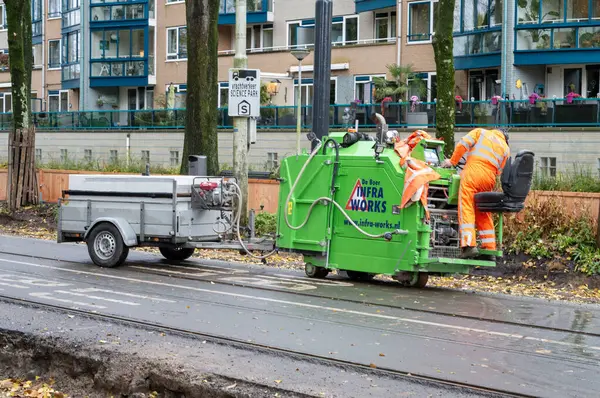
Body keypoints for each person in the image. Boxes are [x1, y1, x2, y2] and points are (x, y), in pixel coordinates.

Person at [441, 128, 510, 259]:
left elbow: (463, 144)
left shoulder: (481, 132)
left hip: (472, 173)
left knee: (466, 206)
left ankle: (468, 245)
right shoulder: (506, 148)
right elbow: (500, 171)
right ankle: (489, 249)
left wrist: (452, 161)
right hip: (489, 178)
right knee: (482, 210)